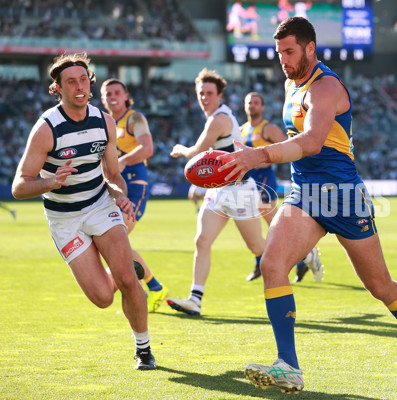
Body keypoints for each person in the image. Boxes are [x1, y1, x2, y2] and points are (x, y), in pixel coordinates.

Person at [218, 17, 397, 393]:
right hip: (305, 194)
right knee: (272, 264)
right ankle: (289, 365)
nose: (282, 59)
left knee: (379, 286)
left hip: (344, 196)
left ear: (310, 48)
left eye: (290, 51)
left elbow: (314, 141)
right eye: (279, 52)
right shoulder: (291, 83)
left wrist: (259, 156)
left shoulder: (326, 85)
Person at [11, 53, 156, 370]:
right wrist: (50, 182)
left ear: (90, 83)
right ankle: (121, 266)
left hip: (100, 206)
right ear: (58, 88)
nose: (79, 87)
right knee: (104, 297)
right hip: (65, 220)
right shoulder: (47, 129)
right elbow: (19, 187)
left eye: (83, 80)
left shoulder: (105, 122)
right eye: (71, 82)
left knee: (129, 282)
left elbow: (113, 175)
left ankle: (143, 349)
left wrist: (120, 196)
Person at [167, 68, 266, 316]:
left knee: (257, 248)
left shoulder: (218, 119)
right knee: (202, 241)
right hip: (221, 191)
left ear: (219, 95)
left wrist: (180, 148)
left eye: (209, 93)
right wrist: (202, 184)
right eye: (201, 93)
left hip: (241, 191)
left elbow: (198, 152)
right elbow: (214, 162)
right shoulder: (216, 117)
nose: (204, 97)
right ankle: (195, 299)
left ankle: (303, 256)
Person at [100, 78, 169, 313]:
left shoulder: (135, 118)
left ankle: (148, 287)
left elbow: (147, 149)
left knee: (114, 240)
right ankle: (155, 287)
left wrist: (119, 162)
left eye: (117, 92)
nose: (112, 96)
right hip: (112, 187)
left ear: (126, 95)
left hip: (133, 186)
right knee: (115, 243)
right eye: (107, 93)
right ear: (102, 99)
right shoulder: (104, 122)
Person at [241, 91, 323, 283]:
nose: (252, 105)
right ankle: (262, 263)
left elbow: (287, 147)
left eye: (256, 102)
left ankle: (305, 256)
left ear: (262, 107)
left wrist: (266, 161)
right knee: (251, 227)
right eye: (249, 102)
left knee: (274, 227)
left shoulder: (267, 128)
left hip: (263, 181)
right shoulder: (242, 129)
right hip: (246, 184)